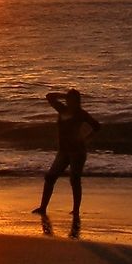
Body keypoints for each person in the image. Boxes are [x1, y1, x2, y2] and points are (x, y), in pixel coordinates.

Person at [32, 88, 101, 236]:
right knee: (50, 177)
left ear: (77, 101)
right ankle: (43, 207)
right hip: (63, 151)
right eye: (69, 99)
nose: (70, 102)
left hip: (77, 152)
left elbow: (97, 126)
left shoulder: (81, 114)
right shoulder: (62, 109)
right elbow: (49, 96)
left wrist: (85, 139)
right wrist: (65, 95)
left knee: (74, 180)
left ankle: (76, 210)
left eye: (73, 100)